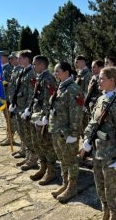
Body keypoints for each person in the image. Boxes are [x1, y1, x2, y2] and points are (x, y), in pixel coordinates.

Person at [81, 67, 116, 220]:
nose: (99, 80)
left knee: (112, 188)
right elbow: (92, 122)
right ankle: (105, 209)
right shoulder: (100, 99)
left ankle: (115, 213)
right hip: (97, 151)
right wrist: (86, 139)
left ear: (112, 80)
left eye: (102, 78)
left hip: (112, 155)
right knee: (99, 184)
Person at [49, 61, 84, 203]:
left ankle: (72, 186)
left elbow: (77, 114)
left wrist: (74, 134)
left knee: (71, 160)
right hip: (58, 130)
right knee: (63, 159)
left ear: (66, 72)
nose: (55, 74)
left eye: (57, 71)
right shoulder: (61, 86)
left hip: (67, 133)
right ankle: (65, 183)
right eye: (55, 71)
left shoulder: (73, 89)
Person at [27, 55, 58, 186]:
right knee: (37, 143)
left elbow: (50, 99)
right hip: (36, 116)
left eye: (35, 64)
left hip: (43, 118)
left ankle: (51, 170)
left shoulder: (49, 78)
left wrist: (45, 116)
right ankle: (43, 166)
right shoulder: (40, 77)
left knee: (46, 144)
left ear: (42, 65)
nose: (33, 67)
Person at [9, 50, 39, 171]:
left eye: (20, 58)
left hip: (25, 110)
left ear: (27, 59)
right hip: (19, 108)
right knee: (22, 134)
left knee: (28, 135)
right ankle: (28, 156)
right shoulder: (22, 71)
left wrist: (28, 109)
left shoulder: (31, 73)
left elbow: (32, 93)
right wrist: (14, 103)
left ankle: (33, 158)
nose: (18, 60)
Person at [0, 51, 15, 146]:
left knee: (9, 118)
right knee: (6, 118)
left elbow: (12, 83)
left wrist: (5, 83)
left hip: (8, 97)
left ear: (4, 58)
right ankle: (8, 136)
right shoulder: (2, 68)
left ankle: (10, 137)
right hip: (4, 96)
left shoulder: (8, 68)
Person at [74, 55, 92, 138]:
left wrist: (84, 104)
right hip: (78, 104)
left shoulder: (87, 74)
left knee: (85, 126)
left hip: (83, 105)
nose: (75, 64)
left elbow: (88, 92)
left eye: (77, 62)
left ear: (83, 62)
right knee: (80, 126)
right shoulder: (80, 74)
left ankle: (88, 146)